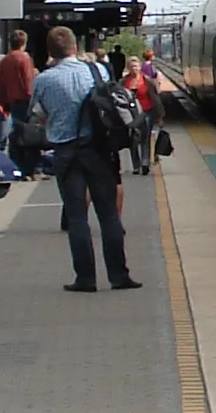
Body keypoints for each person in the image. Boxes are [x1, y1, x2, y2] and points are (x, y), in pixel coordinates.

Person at [32, 25, 140, 294]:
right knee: (108, 215)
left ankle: (85, 278)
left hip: (66, 153)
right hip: (98, 151)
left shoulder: (44, 80)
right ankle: (119, 275)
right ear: (74, 47)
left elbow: (38, 114)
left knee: (78, 217)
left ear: (50, 51)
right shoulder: (98, 71)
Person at [0, 28, 37, 150]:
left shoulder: (5, 60)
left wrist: (3, 103)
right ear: (24, 44)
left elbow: (0, 84)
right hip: (24, 102)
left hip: (10, 103)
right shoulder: (24, 58)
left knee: (14, 134)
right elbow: (28, 81)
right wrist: (33, 99)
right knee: (27, 135)